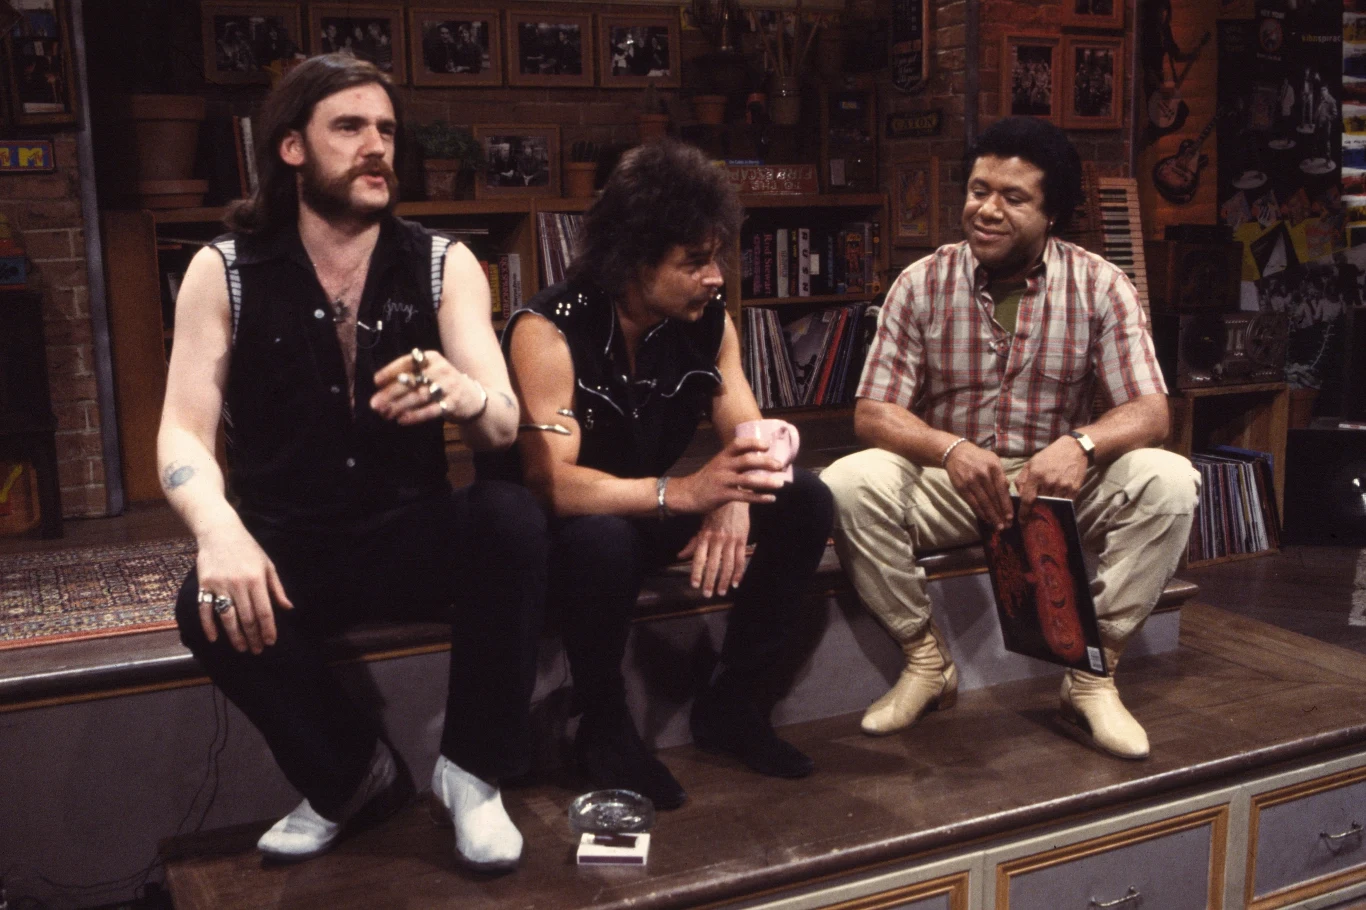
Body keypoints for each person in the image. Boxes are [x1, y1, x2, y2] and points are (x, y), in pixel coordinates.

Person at [158, 54, 546, 873]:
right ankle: (353, 779)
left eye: (387, 131)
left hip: (407, 530)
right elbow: (182, 435)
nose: (376, 146)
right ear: (292, 147)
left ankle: (472, 772)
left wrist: (465, 394)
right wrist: (219, 532)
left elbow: (504, 424)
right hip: (291, 542)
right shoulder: (222, 270)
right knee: (204, 602)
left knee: (509, 516)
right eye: (349, 127)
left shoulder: (443, 262)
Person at [820, 117, 1199, 761]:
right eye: (978, 191)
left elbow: (1151, 411)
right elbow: (873, 413)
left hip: (1057, 489)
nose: (987, 210)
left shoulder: (1101, 284)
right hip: (953, 483)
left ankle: (1091, 676)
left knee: (1169, 481)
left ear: (1053, 214)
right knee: (846, 482)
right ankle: (926, 661)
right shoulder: (920, 282)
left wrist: (1080, 446)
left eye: (1013, 198)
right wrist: (949, 450)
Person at [479, 140, 834, 809]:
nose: (716, 277)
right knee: (601, 538)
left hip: (647, 511)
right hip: (557, 536)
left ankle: (734, 701)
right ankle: (602, 723)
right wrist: (689, 492)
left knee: (806, 497)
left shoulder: (707, 324)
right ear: (633, 261)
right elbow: (550, 484)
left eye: (716, 257)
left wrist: (732, 497)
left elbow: (752, 436)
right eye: (694, 262)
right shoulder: (547, 330)